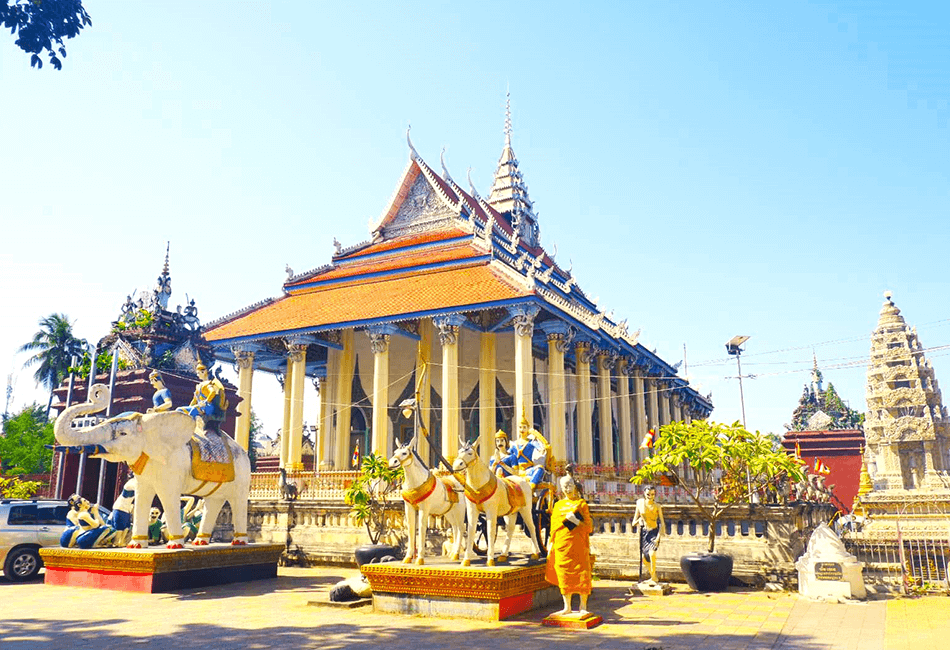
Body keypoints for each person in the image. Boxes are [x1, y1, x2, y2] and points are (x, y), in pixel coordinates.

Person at [545, 473, 593, 616]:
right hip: (561, 545)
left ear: (575, 486)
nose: (567, 488)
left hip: (578, 545)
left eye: (570, 485)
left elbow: (589, 528)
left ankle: (583, 606)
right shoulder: (558, 505)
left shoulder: (581, 504)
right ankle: (567, 606)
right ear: (561, 488)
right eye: (564, 486)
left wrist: (576, 521)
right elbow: (553, 527)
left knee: (582, 573)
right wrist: (550, 543)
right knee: (563, 573)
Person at [177, 363, 227, 433]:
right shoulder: (199, 385)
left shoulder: (208, 384)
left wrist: (206, 401)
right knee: (179, 409)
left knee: (194, 410)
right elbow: (194, 400)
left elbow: (212, 392)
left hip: (207, 407)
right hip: (199, 406)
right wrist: (189, 407)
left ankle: (188, 429)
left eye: (198, 373)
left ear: (204, 372)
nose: (197, 375)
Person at [633, 485, 665, 585]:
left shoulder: (657, 506)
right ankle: (653, 577)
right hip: (644, 533)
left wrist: (658, 537)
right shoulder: (639, 503)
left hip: (654, 532)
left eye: (652, 494)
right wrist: (639, 520)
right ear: (644, 494)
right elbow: (634, 522)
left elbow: (662, 523)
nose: (650, 496)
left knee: (652, 554)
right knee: (644, 558)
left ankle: (653, 577)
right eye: (648, 494)